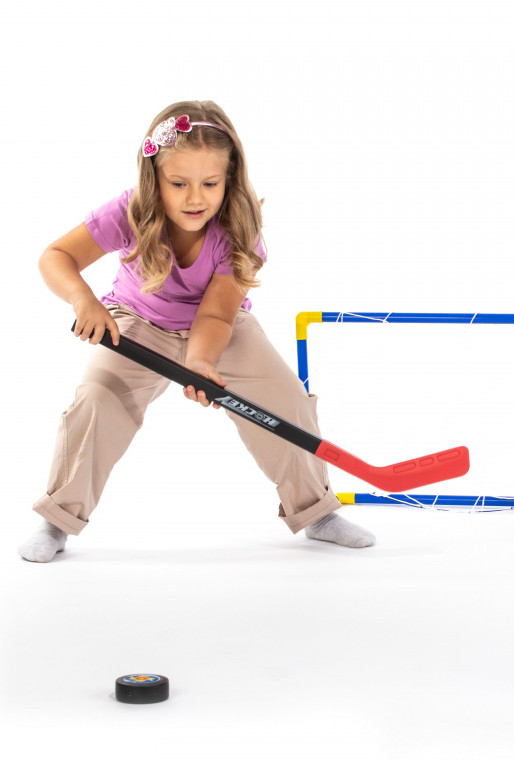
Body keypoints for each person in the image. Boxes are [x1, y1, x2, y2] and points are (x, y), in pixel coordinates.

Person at [18, 100, 374, 562]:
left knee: (286, 401)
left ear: (230, 178)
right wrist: (83, 300)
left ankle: (317, 513)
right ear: (155, 178)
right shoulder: (129, 209)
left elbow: (217, 316)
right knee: (97, 399)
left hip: (222, 327)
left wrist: (201, 360)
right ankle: (57, 520)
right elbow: (56, 256)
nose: (194, 198)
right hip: (136, 321)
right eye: (178, 183)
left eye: (210, 184)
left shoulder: (240, 230)